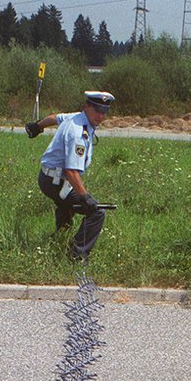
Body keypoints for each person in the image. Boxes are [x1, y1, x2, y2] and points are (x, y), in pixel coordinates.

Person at [25, 90, 115, 262]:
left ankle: (59, 238)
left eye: (104, 112)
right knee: (96, 213)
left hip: (49, 178)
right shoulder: (78, 133)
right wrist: (85, 197)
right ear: (87, 106)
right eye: (97, 110)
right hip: (56, 180)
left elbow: (55, 117)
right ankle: (77, 255)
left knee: (66, 206)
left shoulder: (76, 117)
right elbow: (71, 171)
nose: (101, 116)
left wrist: (38, 126)